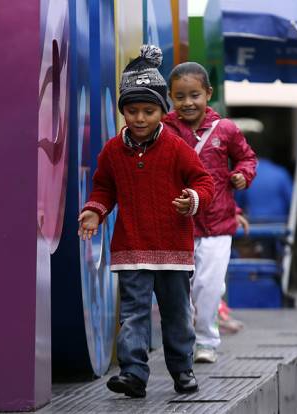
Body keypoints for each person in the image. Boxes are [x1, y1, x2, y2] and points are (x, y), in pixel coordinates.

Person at [78, 45, 214, 398]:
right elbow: (104, 187)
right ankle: (133, 374)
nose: (140, 118)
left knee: (177, 314)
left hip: (172, 248)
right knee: (133, 314)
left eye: (149, 111)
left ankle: (182, 370)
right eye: (132, 110)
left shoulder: (176, 147)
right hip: (132, 248)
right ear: (122, 111)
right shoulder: (111, 150)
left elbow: (203, 181)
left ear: (162, 112)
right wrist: (95, 209)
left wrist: (192, 200)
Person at [164, 62, 257, 363]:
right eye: (180, 96)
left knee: (210, 285)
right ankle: (185, 338)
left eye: (195, 95)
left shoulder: (226, 130)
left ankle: (206, 342)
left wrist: (243, 175)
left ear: (208, 94)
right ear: (170, 96)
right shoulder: (163, 129)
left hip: (218, 223)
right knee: (183, 287)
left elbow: (247, 158)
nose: (188, 103)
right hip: (179, 222)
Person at [235, 156, 292, 223]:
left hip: (253, 224)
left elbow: (237, 202)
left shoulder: (246, 174)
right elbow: (291, 200)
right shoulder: (281, 173)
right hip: (279, 225)